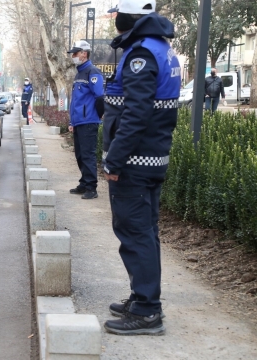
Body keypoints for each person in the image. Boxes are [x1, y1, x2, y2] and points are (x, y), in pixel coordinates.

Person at [102, 0, 180, 336]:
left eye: (118, 14)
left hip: (133, 163)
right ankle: (141, 297)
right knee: (145, 233)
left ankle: (148, 311)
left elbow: (136, 115)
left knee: (135, 235)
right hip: (150, 160)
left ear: (132, 16)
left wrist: (114, 160)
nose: (115, 20)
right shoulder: (162, 49)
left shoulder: (141, 55)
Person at [67, 40, 104, 200]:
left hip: (88, 121)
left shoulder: (92, 71)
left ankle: (91, 187)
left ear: (84, 53)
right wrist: (71, 122)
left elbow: (100, 97)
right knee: (80, 155)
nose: (73, 56)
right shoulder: (79, 73)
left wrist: (97, 116)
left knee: (88, 155)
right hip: (78, 121)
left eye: (76, 53)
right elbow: (76, 100)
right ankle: (84, 182)